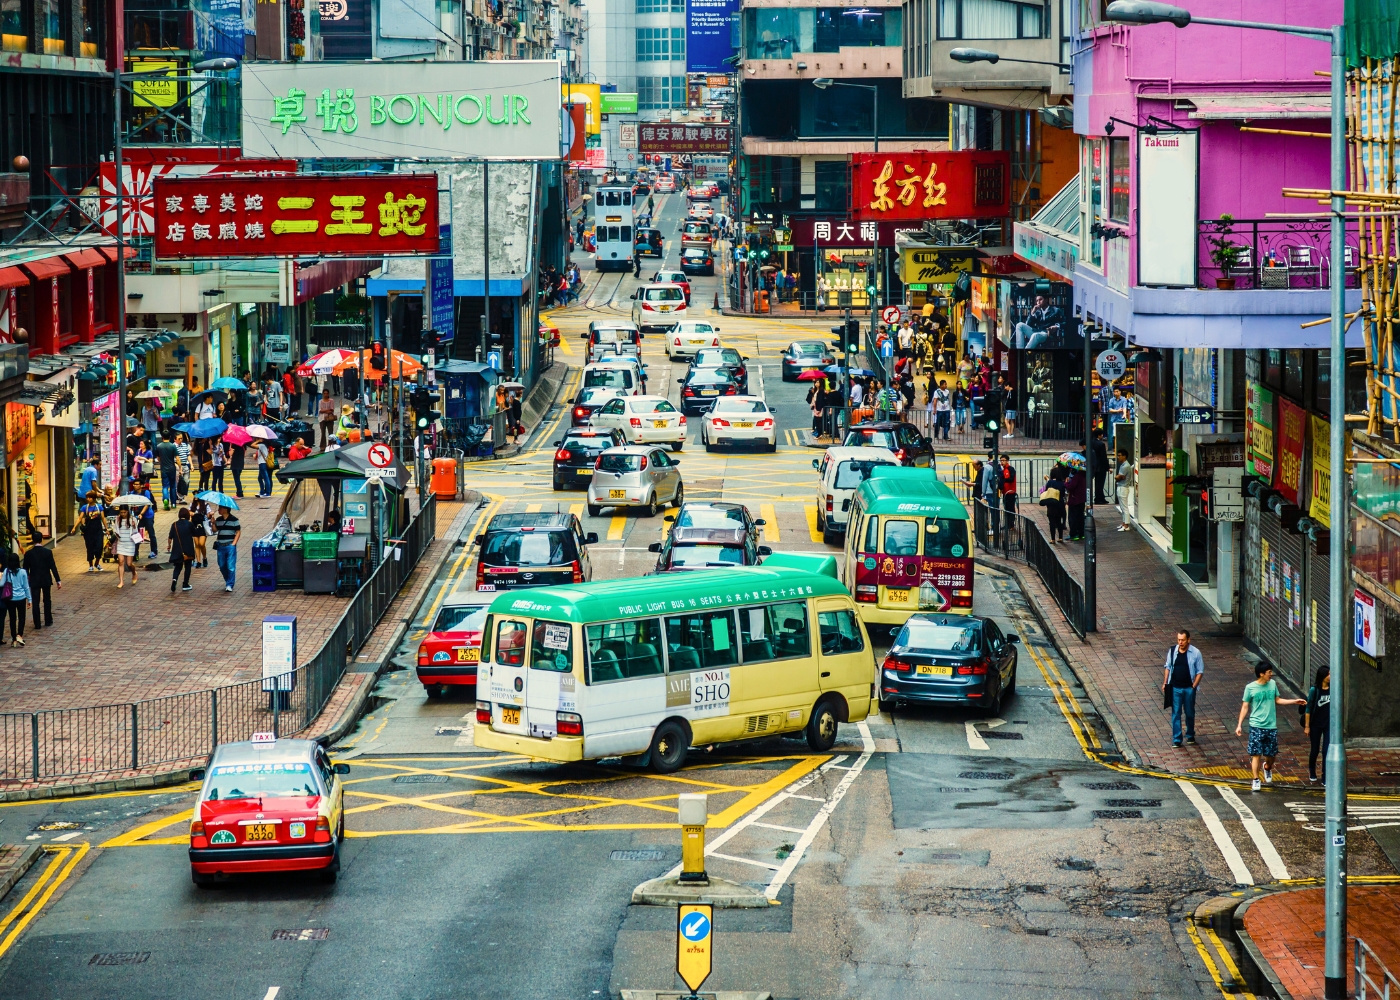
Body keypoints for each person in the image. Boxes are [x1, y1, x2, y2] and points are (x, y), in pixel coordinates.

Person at [1235, 664, 1306, 791]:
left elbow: (1277, 700)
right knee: (1256, 754)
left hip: (1271, 726)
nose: (1271, 674)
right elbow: (1245, 707)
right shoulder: (1250, 688)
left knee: (1271, 754)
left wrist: (1294, 701)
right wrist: (1239, 725)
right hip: (1256, 725)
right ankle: (1256, 779)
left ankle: (1267, 767)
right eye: (1269, 672)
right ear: (1261, 674)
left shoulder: (1272, 684)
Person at [1162, 629, 1204, 748]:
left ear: (1188, 640)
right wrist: (1165, 682)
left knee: (1189, 713)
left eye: (1183, 640)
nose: (1180, 642)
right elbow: (1168, 667)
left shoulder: (1196, 653)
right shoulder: (1172, 651)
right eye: (1179, 640)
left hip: (1188, 688)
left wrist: (1194, 686)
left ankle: (1190, 735)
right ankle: (1177, 739)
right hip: (1175, 688)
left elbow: (1200, 671)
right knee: (1176, 713)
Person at [22, 529, 58, 629]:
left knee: (35, 601)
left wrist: (26, 580)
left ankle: (37, 623)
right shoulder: (48, 552)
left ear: (33, 540)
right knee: (47, 600)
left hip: (34, 580)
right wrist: (58, 580)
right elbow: (53, 566)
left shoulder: (28, 554)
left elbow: (25, 569)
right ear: (41, 539)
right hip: (46, 579)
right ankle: (48, 620)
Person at [1304, 666, 1332, 783]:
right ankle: (1312, 771)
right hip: (1315, 724)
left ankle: (1325, 776)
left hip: (1328, 724)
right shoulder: (1314, 690)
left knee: (1326, 750)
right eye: (1328, 674)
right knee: (1315, 750)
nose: (1330, 676)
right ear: (1323, 676)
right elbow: (1308, 708)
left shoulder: (1333, 689)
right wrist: (1307, 726)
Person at [0, 554, 28, 647]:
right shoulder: (23, 572)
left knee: (12, 618)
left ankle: (14, 639)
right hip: (21, 598)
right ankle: (19, 635)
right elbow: (26, 586)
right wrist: (30, 599)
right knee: (22, 617)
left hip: (11, 598)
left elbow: (1, 584)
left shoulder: (7, 571)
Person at [213, 504, 241, 593]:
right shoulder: (218, 520)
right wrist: (212, 522)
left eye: (220, 508)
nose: (218, 510)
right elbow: (214, 530)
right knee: (221, 565)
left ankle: (229, 584)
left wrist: (233, 544)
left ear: (225, 509)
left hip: (230, 545)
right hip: (220, 546)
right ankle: (228, 580)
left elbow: (238, 532)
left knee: (230, 566)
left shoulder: (234, 520)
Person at [168, 506, 196, 593]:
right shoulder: (189, 524)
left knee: (178, 566)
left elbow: (170, 537)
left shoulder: (174, 524)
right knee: (188, 566)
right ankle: (185, 584)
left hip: (177, 549)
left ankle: (174, 579)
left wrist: (169, 545)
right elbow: (194, 533)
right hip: (188, 548)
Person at [77, 491, 107, 571]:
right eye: (87, 497)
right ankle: (90, 565)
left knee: (99, 547)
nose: (88, 499)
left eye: (89, 497)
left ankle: (97, 563)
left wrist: (106, 529)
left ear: (94, 498)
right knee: (90, 548)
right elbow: (80, 518)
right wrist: (74, 528)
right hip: (88, 532)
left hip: (98, 531)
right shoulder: (85, 507)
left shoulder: (99, 507)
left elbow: (103, 518)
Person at [114, 507, 140, 589]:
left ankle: (134, 572)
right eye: (121, 512)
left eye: (124, 512)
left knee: (129, 564)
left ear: (127, 512)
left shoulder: (133, 519)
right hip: (121, 543)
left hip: (130, 543)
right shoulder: (117, 519)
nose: (123, 514)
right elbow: (115, 529)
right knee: (121, 562)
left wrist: (134, 525)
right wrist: (116, 534)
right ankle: (121, 581)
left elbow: (136, 531)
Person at [1041, 463, 1067, 542]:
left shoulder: (1050, 482)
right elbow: (1063, 493)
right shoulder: (1062, 483)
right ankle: (1060, 537)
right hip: (1060, 503)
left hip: (1051, 504)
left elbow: (1047, 490)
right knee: (1059, 521)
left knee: (1052, 522)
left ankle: (1053, 539)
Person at [154, 432, 179, 510]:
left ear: (162, 437)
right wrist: (180, 467)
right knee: (173, 486)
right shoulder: (173, 446)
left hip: (163, 469)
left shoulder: (159, 446)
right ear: (170, 436)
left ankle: (165, 499)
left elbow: (158, 458)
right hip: (172, 468)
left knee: (165, 486)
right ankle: (173, 503)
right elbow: (177, 458)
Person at [1065, 464, 1087, 540]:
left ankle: (1074, 534)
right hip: (1082, 499)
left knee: (1073, 517)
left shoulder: (1077, 476)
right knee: (1080, 517)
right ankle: (1081, 533)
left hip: (1074, 499)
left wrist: (1066, 483)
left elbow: (1071, 487)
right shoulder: (1084, 475)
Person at [998, 454, 1018, 531]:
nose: (1002, 462)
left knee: (1010, 508)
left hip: (1010, 492)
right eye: (1001, 460)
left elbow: (1011, 479)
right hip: (1005, 492)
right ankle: (1008, 524)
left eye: (1003, 460)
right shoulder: (1003, 470)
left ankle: (1011, 525)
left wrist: (1003, 480)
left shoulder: (1011, 469)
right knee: (1006, 508)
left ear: (1007, 461)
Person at [190, 497, 211, 568]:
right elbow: (189, 513)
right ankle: (198, 561)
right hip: (194, 525)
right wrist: (190, 513)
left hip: (203, 525)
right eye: (194, 494)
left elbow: (208, 516)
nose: (195, 496)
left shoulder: (206, 505)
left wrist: (210, 514)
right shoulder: (192, 505)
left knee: (201, 543)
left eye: (197, 494)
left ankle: (204, 558)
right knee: (196, 544)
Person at [1091, 429, 1110, 504]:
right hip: (1100, 467)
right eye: (1101, 434)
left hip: (1093, 466)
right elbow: (1103, 457)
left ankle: (1100, 497)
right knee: (1100, 483)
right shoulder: (1101, 444)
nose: (1102, 436)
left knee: (1097, 483)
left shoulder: (1090, 442)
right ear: (1099, 435)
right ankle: (1099, 498)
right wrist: (1107, 467)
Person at [1115, 452, 1133, 530]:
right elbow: (1119, 477)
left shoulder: (1125, 466)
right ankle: (1124, 523)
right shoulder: (1123, 465)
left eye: (1119, 455)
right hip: (1121, 487)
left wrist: (1117, 477)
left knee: (1124, 507)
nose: (1118, 457)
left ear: (1124, 456)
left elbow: (1118, 477)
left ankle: (1126, 525)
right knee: (1122, 507)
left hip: (1123, 488)